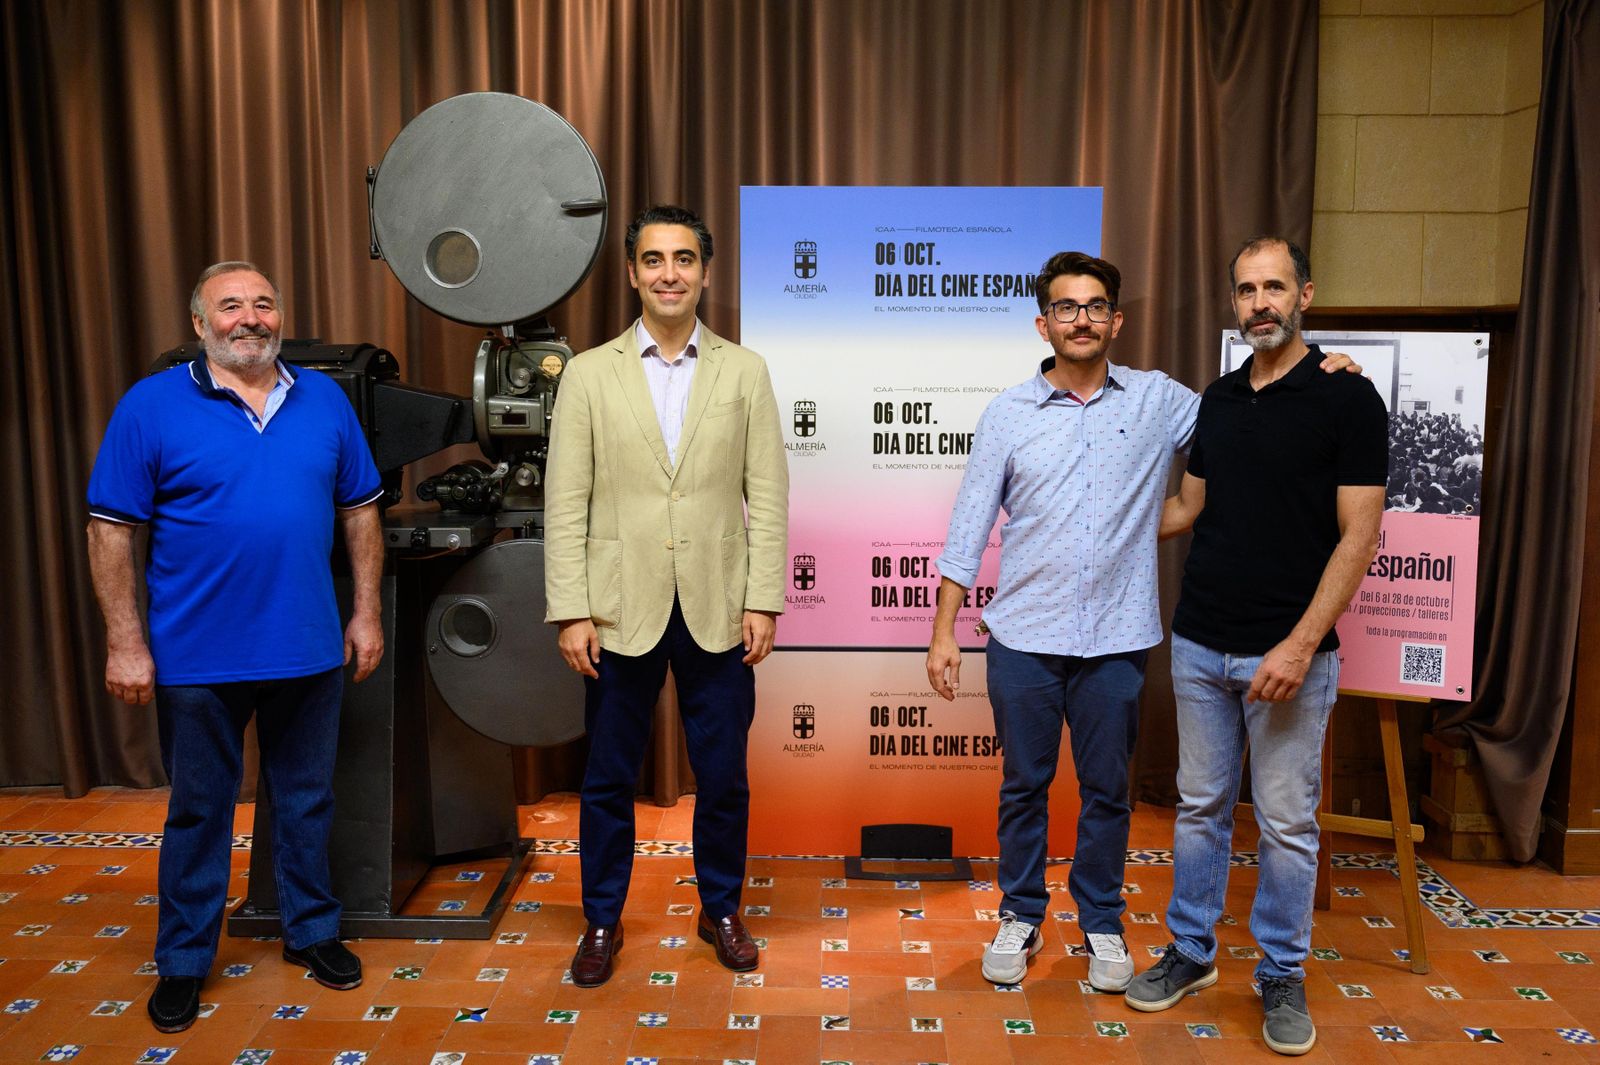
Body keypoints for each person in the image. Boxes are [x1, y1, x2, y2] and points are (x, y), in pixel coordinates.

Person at [927, 251, 1359, 990]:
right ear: (1044, 323)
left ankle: (1099, 920)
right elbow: (968, 527)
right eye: (1067, 307)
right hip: (1022, 639)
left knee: (1107, 792)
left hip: (1117, 642)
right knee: (1024, 785)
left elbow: (1248, 413)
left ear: (1117, 320)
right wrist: (943, 630)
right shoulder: (1006, 413)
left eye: (1096, 306)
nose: (1083, 319)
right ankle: (1021, 913)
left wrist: (1320, 370)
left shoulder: (1163, 400)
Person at [87, 262, 385, 1033]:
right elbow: (110, 530)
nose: (249, 318)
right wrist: (126, 642)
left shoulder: (325, 400)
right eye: (231, 306)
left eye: (263, 303)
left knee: (308, 800)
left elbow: (359, 514)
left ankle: (312, 933)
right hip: (195, 658)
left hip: (309, 647)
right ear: (199, 324)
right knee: (199, 811)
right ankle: (184, 962)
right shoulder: (149, 407)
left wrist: (365, 614)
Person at [1124, 237, 1386, 1057]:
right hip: (1201, 643)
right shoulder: (1219, 399)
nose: (1260, 301)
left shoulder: (1350, 399)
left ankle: (1280, 971)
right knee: (1200, 808)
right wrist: (1080, 519)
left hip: (1289, 656)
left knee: (1285, 822)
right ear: (1233, 303)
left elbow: (1361, 536)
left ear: (1304, 292)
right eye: (1246, 289)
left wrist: (1301, 646)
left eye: (1275, 286)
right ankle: (1193, 953)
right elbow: (1184, 510)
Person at [544, 204, 788, 987]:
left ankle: (720, 907)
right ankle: (602, 919)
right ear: (632, 272)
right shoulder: (588, 372)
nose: (670, 273)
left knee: (723, 776)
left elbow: (769, 496)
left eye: (684, 259)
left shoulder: (745, 371)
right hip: (617, 609)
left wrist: (764, 598)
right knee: (609, 777)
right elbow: (566, 501)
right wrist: (571, 607)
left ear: (706, 273)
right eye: (654, 260)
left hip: (719, 603)